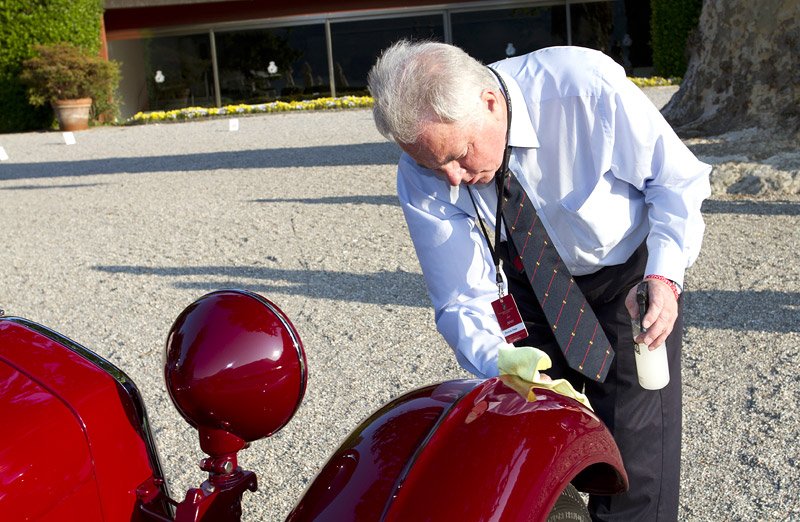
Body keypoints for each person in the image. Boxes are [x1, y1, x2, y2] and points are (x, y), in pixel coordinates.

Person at [367, 40, 711, 521]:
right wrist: (499, 359)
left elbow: (676, 180)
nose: (450, 178)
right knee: (535, 448)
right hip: (529, 287)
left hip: (628, 284)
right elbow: (463, 293)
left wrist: (665, 275)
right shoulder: (426, 168)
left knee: (639, 465)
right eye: (432, 164)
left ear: (489, 103)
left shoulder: (583, 89)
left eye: (460, 154)